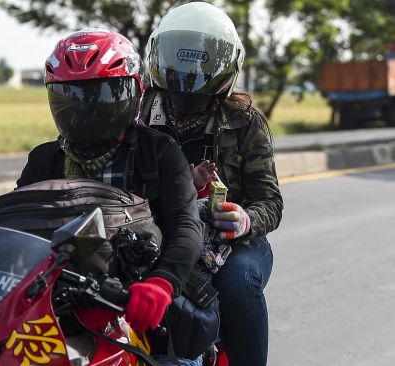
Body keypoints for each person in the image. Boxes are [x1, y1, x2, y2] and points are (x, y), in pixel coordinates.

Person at [16, 29, 203, 344]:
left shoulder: (158, 151)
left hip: (136, 298)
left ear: (134, 94)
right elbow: (13, 229)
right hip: (57, 300)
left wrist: (162, 282)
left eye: (101, 97)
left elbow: (186, 224)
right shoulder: (44, 160)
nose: (86, 112)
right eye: (72, 98)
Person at [141, 3, 284, 366]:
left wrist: (244, 220)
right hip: (155, 231)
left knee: (238, 284)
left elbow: (269, 200)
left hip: (232, 245)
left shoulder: (245, 122)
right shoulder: (140, 110)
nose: (187, 79)